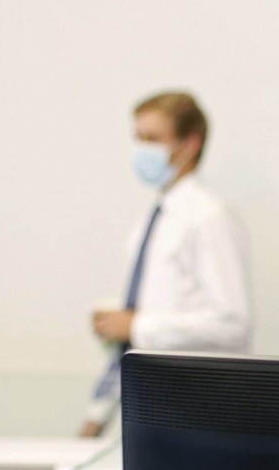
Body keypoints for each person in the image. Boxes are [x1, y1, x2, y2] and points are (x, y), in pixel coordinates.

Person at [80, 91, 252, 437]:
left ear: (189, 145)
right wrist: (97, 414)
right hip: (153, 409)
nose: (142, 150)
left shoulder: (208, 217)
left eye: (153, 139)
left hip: (198, 412)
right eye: (138, 139)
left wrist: (137, 326)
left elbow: (233, 323)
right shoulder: (155, 217)